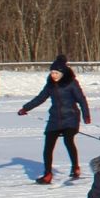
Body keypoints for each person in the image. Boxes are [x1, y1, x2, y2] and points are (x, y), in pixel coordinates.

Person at [19, 55, 92, 184]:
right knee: (48, 146)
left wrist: (86, 115)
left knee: (68, 140)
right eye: (52, 72)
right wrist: (25, 108)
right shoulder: (50, 85)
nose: (53, 75)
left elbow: (81, 99)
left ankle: (75, 167)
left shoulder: (71, 83)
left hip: (71, 118)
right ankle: (47, 174)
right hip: (55, 119)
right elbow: (40, 98)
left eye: (56, 73)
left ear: (63, 73)